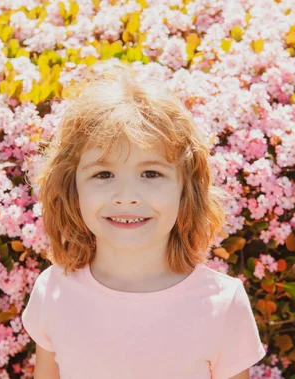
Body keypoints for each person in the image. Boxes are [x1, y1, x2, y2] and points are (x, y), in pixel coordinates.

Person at [21, 61, 266, 379]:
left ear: (185, 187)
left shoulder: (222, 304)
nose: (126, 196)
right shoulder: (53, 292)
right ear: (72, 187)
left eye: (151, 173)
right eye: (103, 173)